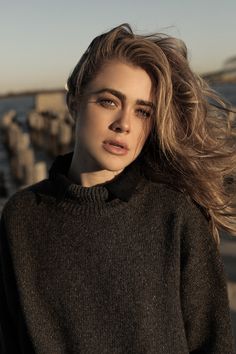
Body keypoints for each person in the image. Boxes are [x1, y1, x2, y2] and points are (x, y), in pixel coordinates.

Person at [1, 23, 236, 354]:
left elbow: (213, 344)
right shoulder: (21, 217)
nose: (124, 124)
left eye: (142, 111)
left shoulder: (176, 216)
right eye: (109, 101)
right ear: (74, 102)